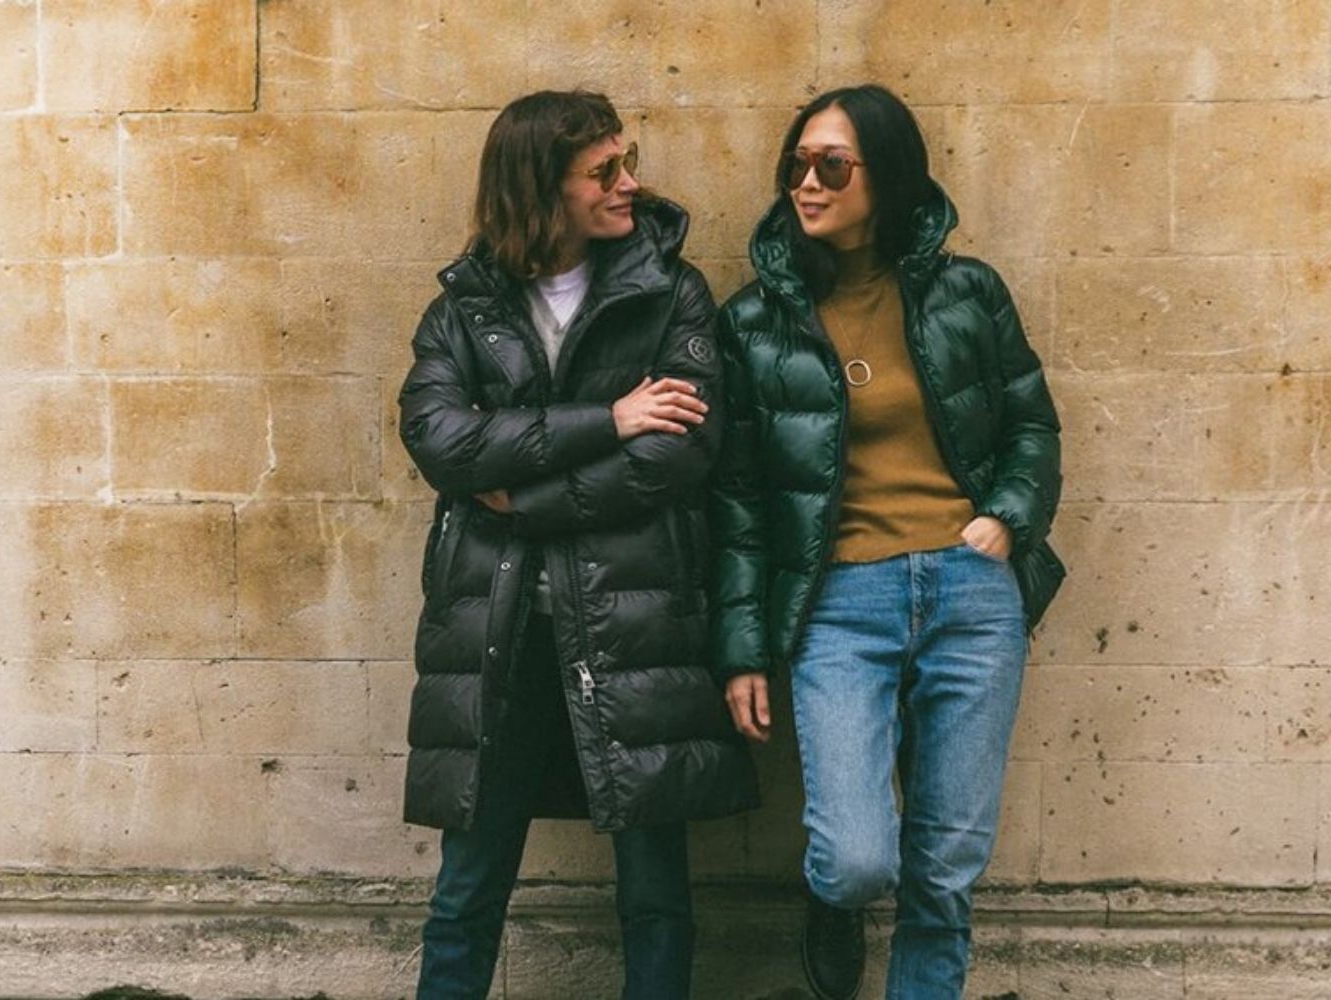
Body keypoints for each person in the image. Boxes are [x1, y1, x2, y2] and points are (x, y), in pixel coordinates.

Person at [398, 89, 759, 1000]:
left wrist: (516, 495)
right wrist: (611, 416)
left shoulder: (669, 290)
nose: (629, 183)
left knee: (653, 893)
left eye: (626, 160)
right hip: (499, 630)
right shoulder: (464, 306)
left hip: (637, 624)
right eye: (603, 171)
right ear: (540, 186)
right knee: (467, 890)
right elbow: (440, 439)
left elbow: (682, 452)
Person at [709, 84, 1065, 1000]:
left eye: (833, 165)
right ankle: (831, 903)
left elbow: (1031, 426)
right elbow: (740, 500)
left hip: (971, 593)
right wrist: (742, 650)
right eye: (798, 165)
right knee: (860, 859)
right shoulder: (753, 324)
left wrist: (1008, 519)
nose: (808, 184)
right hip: (839, 604)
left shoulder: (967, 291)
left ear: (889, 176)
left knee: (943, 874)